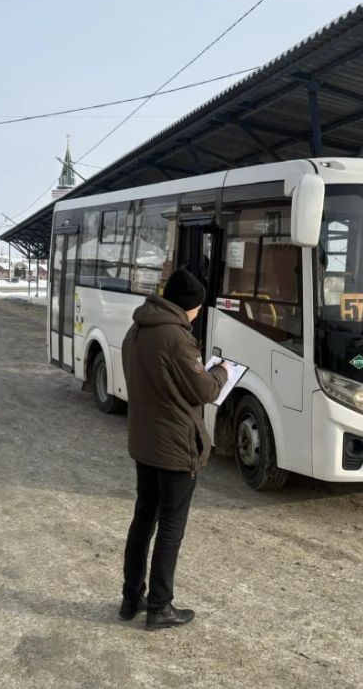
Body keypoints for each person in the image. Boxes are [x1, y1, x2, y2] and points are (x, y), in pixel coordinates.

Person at [118, 268, 228, 630]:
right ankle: (160, 607)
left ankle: (131, 598)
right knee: (170, 528)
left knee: (143, 520)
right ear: (190, 306)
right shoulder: (177, 339)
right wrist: (223, 372)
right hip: (175, 447)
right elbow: (206, 392)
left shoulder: (137, 329)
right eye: (198, 307)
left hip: (144, 442)